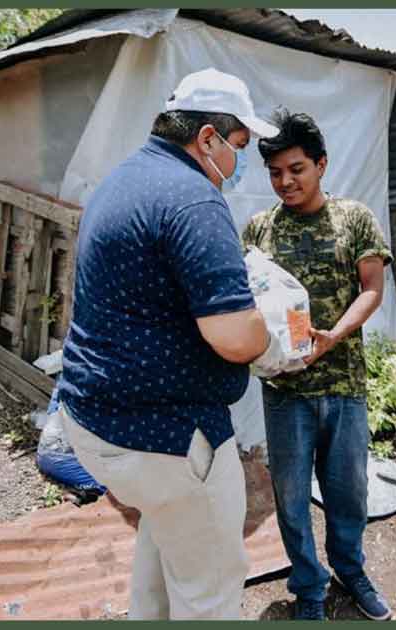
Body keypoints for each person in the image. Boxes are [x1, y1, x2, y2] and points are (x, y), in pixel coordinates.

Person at [55, 68, 289, 620]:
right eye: (238, 145)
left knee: (164, 548)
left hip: (99, 422)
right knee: (209, 593)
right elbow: (234, 337)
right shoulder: (193, 199)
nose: (240, 162)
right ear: (206, 138)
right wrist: (272, 334)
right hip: (166, 438)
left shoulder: (124, 180)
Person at [241, 109, 394, 621]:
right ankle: (308, 586)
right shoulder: (258, 231)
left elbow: (372, 289)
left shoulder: (354, 218)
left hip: (344, 383)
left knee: (348, 491)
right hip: (284, 392)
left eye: (297, 169)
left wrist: (335, 337)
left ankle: (351, 571)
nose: (285, 181)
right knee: (289, 497)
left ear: (322, 165)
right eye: (276, 172)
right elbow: (244, 305)